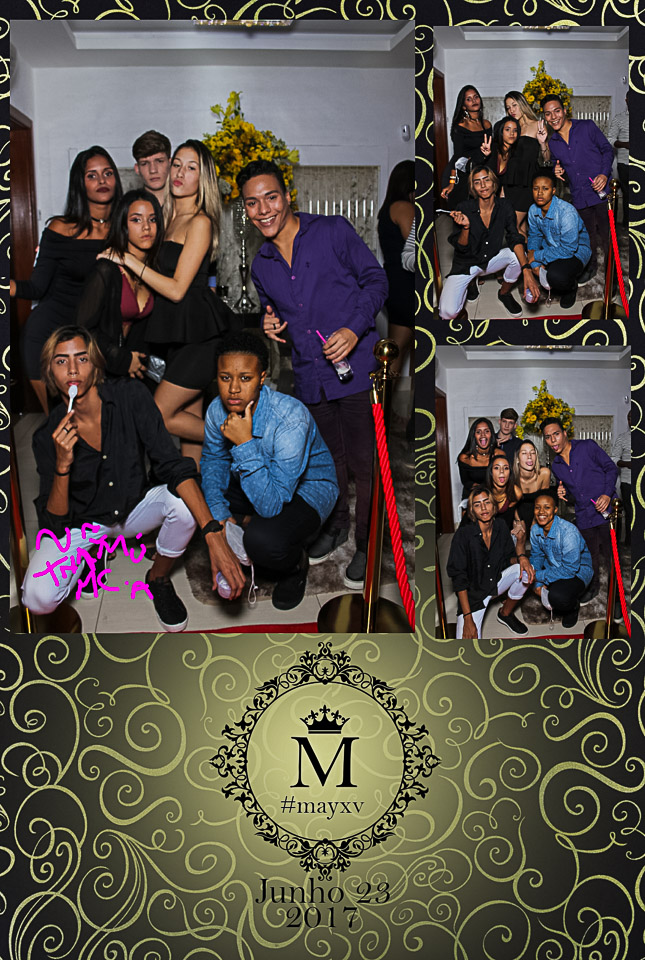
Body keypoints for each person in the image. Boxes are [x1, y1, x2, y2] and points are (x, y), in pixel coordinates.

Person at [21, 326, 236, 632]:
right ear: (49, 372)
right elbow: (54, 521)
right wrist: (62, 465)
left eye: (82, 358)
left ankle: (158, 578)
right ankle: (90, 554)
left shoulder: (130, 396)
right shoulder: (47, 435)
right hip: (82, 523)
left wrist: (213, 534)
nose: (72, 369)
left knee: (184, 505)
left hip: (133, 508)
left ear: (96, 364)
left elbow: (173, 464)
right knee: (36, 598)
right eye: (61, 361)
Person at [237, 159, 388, 589]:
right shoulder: (262, 265)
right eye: (252, 203)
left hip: (358, 370)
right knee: (326, 462)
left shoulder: (332, 231)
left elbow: (377, 281)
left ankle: (367, 544)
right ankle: (336, 524)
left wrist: (353, 329)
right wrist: (270, 325)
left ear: (288, 196)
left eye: (271, 197)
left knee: (366, 464)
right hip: (309, 376)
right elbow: (280, 319)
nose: (263, 209)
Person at [100, 140, 239, 466]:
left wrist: (128, 261)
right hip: (174, 334)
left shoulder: (200, 221)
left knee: (159, 415)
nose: (179, 172)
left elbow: (177, 289)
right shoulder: (165, 217)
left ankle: (244, 438)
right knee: (188, 429)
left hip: (200, 336)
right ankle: (192, 493)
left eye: (191, 168)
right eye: (177, 164)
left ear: (202, 178)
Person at [200, 332, 339, 610]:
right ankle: (242, 519)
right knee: (194, 497)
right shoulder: (216, 410)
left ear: (262, 378)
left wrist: (244, 443)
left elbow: (271, 504)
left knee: (263, 542)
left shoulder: (290, 418)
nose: (233, 389)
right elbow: (213, 461)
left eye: (245, 378)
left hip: (307, 489)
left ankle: (296, 565)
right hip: (251, 479)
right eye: (225, 378)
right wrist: (220, 517)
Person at [11, 146, 122, 411]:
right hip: (48, 333)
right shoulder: (61, 228)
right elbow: (37, 287)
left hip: (95, 338)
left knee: (98, 419)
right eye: (92, 175)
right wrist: (10, 286)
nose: (102, 180)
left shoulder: (124, 229)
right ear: (80, 184)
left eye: (107, 173)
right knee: (60, 419)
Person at [76, 189, 163, 379]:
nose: (146, 227)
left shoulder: (154, 272)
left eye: (152, 219)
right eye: (136, 220)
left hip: (135, 370)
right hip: (101, 369)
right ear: (123, 225)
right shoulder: (106, 269)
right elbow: (82, 330)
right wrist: (122, 359)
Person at [439, 166, 539, 320]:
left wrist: (526, 270)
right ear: (473, 187)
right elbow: (461, 247)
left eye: (486, 180)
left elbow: (514, 237)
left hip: (490, 259)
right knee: (447, 312)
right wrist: (466, 227)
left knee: (518, 255)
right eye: (477, 182)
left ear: (494, 183)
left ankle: (504, 293)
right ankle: (471, 284)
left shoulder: (505, 206)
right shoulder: (464, 208)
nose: (483, 185)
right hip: (467, 264)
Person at [541, 417, 618, 603]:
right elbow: (574, 495)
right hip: (584, 515)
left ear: (565, 433)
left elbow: (611, 468)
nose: (553, 440)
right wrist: (564, 494)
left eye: (556, 434)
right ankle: (593, 587)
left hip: (605, 510)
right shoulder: (556, 466)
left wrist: (607, 494)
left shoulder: (587, 447)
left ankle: (615, 597)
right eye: (548, 437)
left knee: (612, 556)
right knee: (589, 557)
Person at [537, 95, 614, 281]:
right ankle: (591, 266)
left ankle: (612, 274)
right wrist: (556, 169)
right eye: (548, 114)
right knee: (587, 237)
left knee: (608, 236)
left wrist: (604, 174)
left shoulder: (587, 127)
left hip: (601, 191)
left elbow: (607, 149)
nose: (553, 117)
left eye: (557, 111)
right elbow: (555, 163)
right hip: (579, 195)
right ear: (544, 117)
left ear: (565, 111)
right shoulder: (553, 142)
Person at [446, 484, 533, 638]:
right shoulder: (463, 536)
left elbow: (508, 559)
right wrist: (468, 618)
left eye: (487, 502)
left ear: (494, 506)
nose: (483, 508)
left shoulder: (501, 526)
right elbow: (459, 579)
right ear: (472, 510)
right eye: (477, 504)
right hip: (475, 595)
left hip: (495, 581)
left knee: (527, 569)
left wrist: (522, 557)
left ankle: (505, 613)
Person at [527, 171, 592, 309]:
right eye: (536, 188)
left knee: (556, 277)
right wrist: (535, 263)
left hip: (576, 251)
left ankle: (572, 288)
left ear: (553, 191)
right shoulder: (533, 210)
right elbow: (534, 235)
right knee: (528, 255)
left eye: (545, 188)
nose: (540, 193)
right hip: (552, 246)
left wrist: (537, 256)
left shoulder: (567, 212)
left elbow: (568, 250)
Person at [529, 490, 593, 629]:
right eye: (537, 507)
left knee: (558, 597)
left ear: (555, 510)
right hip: (554, 566)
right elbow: (536, 555)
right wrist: (537, 582)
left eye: (547, 507)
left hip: (577, 571)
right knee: (523, 576)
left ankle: (573, 607)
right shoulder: (535, 529)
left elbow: (569, 570)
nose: (541, 511)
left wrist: (537, 576)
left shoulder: (568, 532)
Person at [377, 160, 415, 380]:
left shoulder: (388, 209)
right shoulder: (404, 207)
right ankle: (384, 399)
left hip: (395, 281)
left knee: (400, 348)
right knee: (397, 349)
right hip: (405, 283)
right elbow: (415, 246)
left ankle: (395, 401)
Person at [478, 116, 539, 239]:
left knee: (513, 227)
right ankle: (528, 249)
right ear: (501, 131)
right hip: (505, 194)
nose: (512, 133)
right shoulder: (492, 148)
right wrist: (485, 156)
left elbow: (532, 168)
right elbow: (481, 171)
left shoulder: (518, 152)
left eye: (515, 130)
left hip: (522, 193)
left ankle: (531, 250)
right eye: (507, 129)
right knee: (519, 228)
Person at [440, 85, 492, 208]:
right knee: (463, 212)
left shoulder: (487, 124)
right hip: (461, 172)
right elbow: (457, 156)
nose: (474, 101)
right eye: (469, 99)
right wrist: (452, 182)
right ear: (463, 106)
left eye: (476, 97)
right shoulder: (460, 126)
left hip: (480, 170)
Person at [503, 91, 543, 236]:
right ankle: (525, 250)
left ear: (522, 104)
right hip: (510, 181)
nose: (511, 110)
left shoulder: (538, 125)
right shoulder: (511, 128)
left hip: (527, 182)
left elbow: (547, 158)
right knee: (521, 227)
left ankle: (524, 250)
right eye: (508, 107)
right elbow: (505, 158)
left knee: (513, 224)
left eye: (514, 105)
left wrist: (543, 143)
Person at [513, 439, 552, 536]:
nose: (529, 456)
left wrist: (535, 520)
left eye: (532, 453)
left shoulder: (544, 473)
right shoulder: (511, 476)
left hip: (538, 512)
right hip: (516, 513)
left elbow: (544, 501)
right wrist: (518, 521)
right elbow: (511, 505)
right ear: (517, 459)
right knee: (519, 535)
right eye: (524, 453)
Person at [457, 417, 499, 501]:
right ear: (474, 435)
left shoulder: (499, 455)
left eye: (486, 431)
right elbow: (466, 482)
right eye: (478, 432)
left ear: (491, 434)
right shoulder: (465, 458)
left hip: (494, 497)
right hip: (472, 498)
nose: (483, 435)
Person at [485, 451, 521, 533]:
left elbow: (511, 512)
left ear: (510, 472)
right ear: (491, 472)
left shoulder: (516, 492)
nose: (501, 471)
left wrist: (518, 522)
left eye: (506, 468)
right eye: (496, 468)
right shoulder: (483, 493)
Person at [132, 130, 172, 205]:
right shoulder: (129, 206)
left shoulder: (186, 204)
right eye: (144, 164)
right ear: (137, 169)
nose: (153, 170)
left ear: (170, 163)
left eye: (159, 161)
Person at [608, 93, 629, 228]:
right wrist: (625, 144)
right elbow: (610, 139)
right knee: (627, 194)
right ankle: (627, 224)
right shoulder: (619, 118)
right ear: (626, 100)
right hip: (625, 163)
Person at [611, 408, 631, 547]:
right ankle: (630, 542)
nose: (631, 421)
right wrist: (628, 464)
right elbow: (614, 459)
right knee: (630, 514)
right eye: (629, 418)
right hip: (627, 482)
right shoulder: (622, 438)